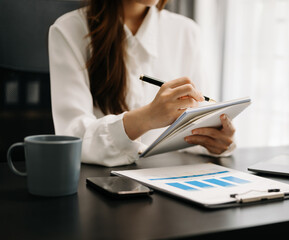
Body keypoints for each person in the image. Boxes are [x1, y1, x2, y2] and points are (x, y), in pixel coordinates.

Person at [48, 0, 236, 167]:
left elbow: (198, 120)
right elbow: (73, 138)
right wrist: (147, 117)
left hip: (171, 176)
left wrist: (216, 140)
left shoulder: (187, 31)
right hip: (103, 182)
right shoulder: (69, 30)